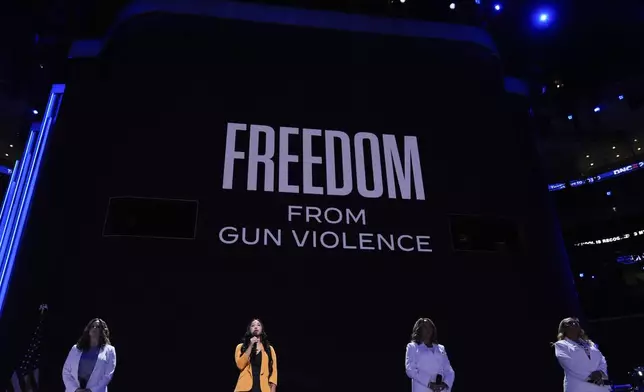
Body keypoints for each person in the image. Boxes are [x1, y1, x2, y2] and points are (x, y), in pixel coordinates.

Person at [554, 317, 610, 392]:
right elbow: (569, 364)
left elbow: (601, 359)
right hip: (578, 387)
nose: (574, 324)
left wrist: (600, 372)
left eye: (576, 322)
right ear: (564, 329)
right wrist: (590, 376)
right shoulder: (561, 345)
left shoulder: (590, 344)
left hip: (599, 386)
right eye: (570, 323)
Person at [62, 318, 117, 392]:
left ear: (102, 331)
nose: (94, 328)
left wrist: (91, 390)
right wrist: (75, 389)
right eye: (92, 326)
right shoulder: (76, 348)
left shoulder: (110, 350)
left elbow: (107, 376)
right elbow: (66, 371)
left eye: (98, 327)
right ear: (88, 329)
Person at [405, 318, 455, 392]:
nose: (428, 329)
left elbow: (449, 370)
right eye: (425, 327)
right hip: (422, 389)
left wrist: (445, 384)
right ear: (419, 329)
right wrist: (429, 384)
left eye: (430, 327)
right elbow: (410, 370)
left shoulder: (441, 348)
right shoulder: (412, 347)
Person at [234, 319, 278, 392]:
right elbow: (240, 365)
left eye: (258, 325)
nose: (256, 327)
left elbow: (274, 372)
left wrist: (273, 389)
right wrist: (250, 345)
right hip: (244, 388)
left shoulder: (269, 349)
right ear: (249, 329)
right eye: (253, 325)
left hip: (263, 389)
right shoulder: (241, 347)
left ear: (262, 329)